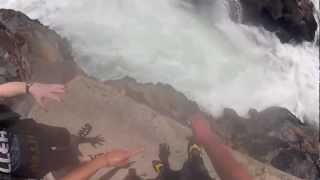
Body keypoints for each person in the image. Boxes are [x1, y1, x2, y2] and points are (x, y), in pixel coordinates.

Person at [0, 81, 104, 179]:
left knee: (63, 135)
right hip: (35, 165)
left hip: (34, 132)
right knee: (62, 161)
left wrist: (30, 88)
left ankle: (75, 140)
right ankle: (84, 159)